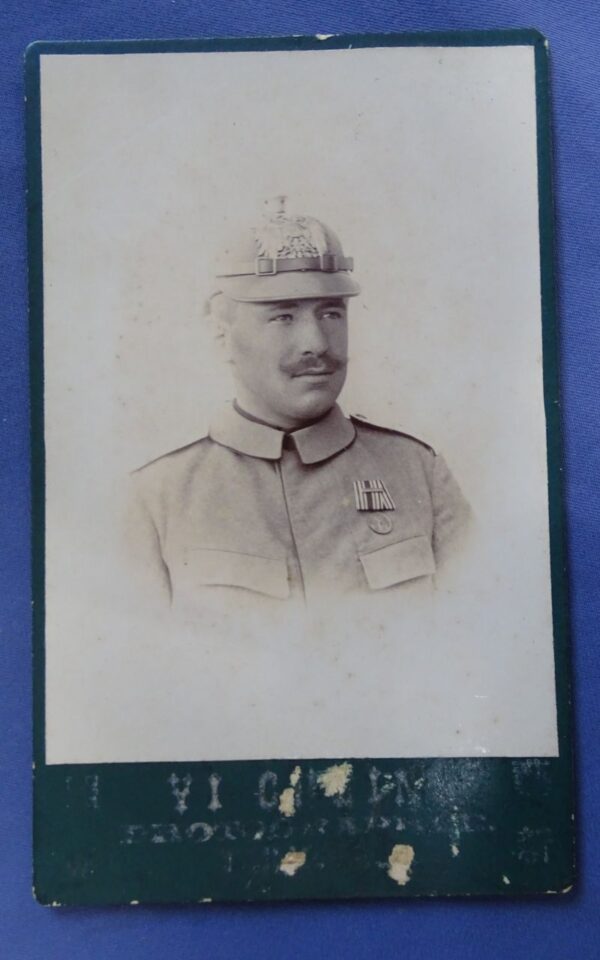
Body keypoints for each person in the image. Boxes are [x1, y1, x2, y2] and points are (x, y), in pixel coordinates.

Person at [128, 197, 471, 611]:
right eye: (282, 317)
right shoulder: (157, 497)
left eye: (331, 314)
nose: (316, 344)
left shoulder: (418, 472)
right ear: (222, 333)